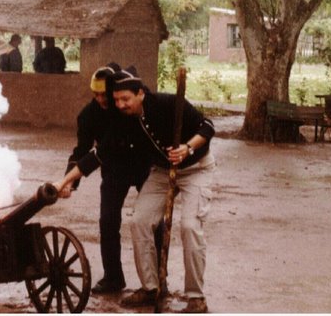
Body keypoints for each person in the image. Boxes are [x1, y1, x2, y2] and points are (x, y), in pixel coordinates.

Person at [112, 68, 216, 314]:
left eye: (125, 99)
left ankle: (196, 298)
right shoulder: (125, 119)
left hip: (196, 168)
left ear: (140, 94)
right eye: (116, 100)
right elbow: (106, 151)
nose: (120, 105)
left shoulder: (168, 102)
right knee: (139, 221)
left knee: (190, 226)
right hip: (162, 172)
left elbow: (208, 126)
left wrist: (187, 148)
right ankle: (151, 288)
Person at [54, 64, 151, 294]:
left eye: (104, 94)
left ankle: (158, 279)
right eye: (95, 95)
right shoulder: (87, 116)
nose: (100, 99)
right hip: (113, 169)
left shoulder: (125, 105)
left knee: (151, 221)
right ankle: (113, 278)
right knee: (107, 221)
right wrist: (68, 181)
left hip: (141, 163)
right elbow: (81, 151)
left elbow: (101, 150)